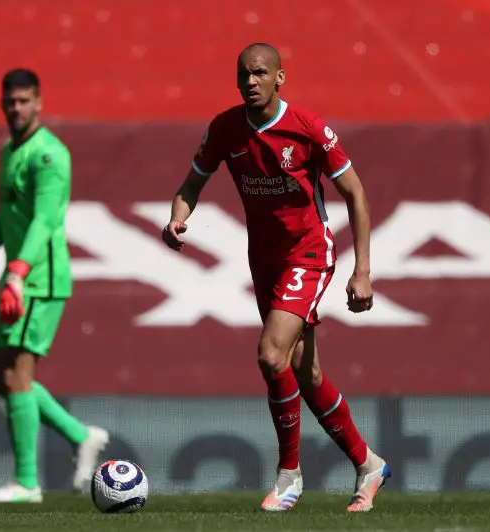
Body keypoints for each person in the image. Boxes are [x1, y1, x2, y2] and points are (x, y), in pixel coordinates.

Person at [162, 43, 390, 512]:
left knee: (270, 355)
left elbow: (356, 194)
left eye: (260, 73)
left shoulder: (309, 130)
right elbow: (191, 184)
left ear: (280, 78)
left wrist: (362, 270)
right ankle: (368, 464)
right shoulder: (226, 129)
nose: (251, 81)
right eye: (244, 74)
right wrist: (176, 219)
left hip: (308, 253)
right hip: (263, 261)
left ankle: (289, 477)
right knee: (305, 372)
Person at [0, 68, 109, 503]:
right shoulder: (10, 152)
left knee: (15, 374)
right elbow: (7, 217)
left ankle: (26, 482)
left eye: (24, 101)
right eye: (10, 101)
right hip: (18, 275)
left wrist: (18, 273)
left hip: (40, 279)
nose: (16, 108)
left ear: (39, 103)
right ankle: (81, 436)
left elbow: (46, 221)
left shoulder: (50, 156)